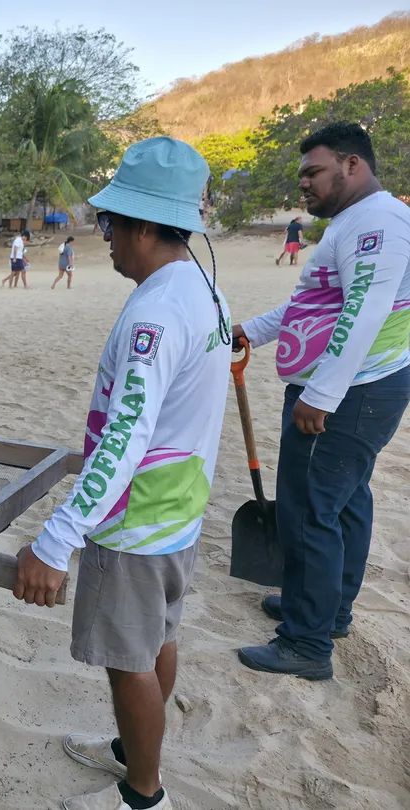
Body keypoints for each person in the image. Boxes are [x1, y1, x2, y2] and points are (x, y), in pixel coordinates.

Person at [12, 137, 232, 810]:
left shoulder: (157, 314)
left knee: (128, 660)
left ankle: (143, 792)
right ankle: (132, 749)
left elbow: (124, 441)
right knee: (159, 635)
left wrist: (55, 543)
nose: (103, 236)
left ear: (142, 225)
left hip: (136, 523)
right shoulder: (199, 286)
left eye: (110, 224)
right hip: (177, 513)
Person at [234, 122, 410, 680]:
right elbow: (313, 304)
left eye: (313, 172)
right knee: (345, 502)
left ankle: (306, 645)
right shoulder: (356, 222)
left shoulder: (378, 221)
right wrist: (253, 332)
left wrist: (321, 394)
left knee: (309, 511)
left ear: (351, 165)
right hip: (362, 390)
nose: (304, 184)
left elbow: (366, 307)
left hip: (350, 393)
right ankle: (327, 609)